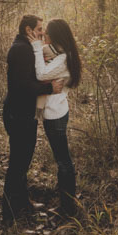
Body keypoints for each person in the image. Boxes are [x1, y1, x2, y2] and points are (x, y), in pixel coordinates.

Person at [2, 15, 64, 224]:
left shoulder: (24, 47)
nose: (42, 32)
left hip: (22, 113)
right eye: (38, 29)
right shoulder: (21, 50)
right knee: (18, 164)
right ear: (28, 30)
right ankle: (8, 214)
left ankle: (22, 203)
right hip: (18, 114)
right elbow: (22, 86)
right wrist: (50, 88)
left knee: (22, 161)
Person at [31, 18, 82, 219]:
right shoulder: (65, 55)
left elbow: (41, 74)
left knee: (63, 161)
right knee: (63, 159)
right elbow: (49, 59)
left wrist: (37, 47)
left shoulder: (63, 59)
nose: (45, 36)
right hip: (59, 110)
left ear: (55, 36)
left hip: (55, 115)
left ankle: (68, 208)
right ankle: (66, 202)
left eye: (47, 34)